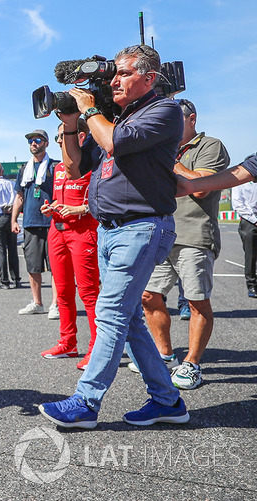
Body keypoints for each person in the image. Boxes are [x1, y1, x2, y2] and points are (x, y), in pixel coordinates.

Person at [39, 44, 189, 429]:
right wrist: (71, 122)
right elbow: (73, 168)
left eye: (122, 74)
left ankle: (85, 403)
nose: (113, 81)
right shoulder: (114, 118)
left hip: (141, 227)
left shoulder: (164, 111)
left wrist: (90, 109)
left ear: (149, 78)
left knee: (109, 314)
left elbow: (115, 143)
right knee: (130, 321)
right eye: (113, 75)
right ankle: (168, 401)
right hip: (111, 231)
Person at [138, 99, 229, 390]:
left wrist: (169, 160)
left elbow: (201, 187)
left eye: (175, 119)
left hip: (194, 235)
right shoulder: (165, 147)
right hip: (162, 233)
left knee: (196, 300)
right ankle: (163, 355)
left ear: (192, 120)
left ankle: (191, 363)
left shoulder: (210, 146)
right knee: (149, 296)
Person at [39, 120, 99, 370]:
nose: (61, 141)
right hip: (57, 231)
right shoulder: (57, 168)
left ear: (81, 136)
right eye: (59, 137)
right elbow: (57, 197)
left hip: (83, 231)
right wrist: (49, 208)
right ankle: (68, 342)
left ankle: (97, 348)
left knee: (89, 293)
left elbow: (105, 199)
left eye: (64, 136)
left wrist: (81, 208)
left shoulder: (93, 162)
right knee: (62, 292)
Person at [11, 130, 59, 318]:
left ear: (46, 143)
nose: (33, 143)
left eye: (37, 140)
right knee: (32, 266)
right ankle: (37, 302)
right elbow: (19, 196)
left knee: (56, 267)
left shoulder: (55, 167)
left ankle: (55, 304)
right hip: (30, 223)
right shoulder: (24, 169)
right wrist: (14, 219)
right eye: (31, 141)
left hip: (52, 223)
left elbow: (60, 194)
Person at [231, 179, 257, 298]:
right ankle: (251, 285)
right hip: (249, 221)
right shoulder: (240, 183)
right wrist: (255, 220)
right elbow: (238, 205)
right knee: (251, 254)